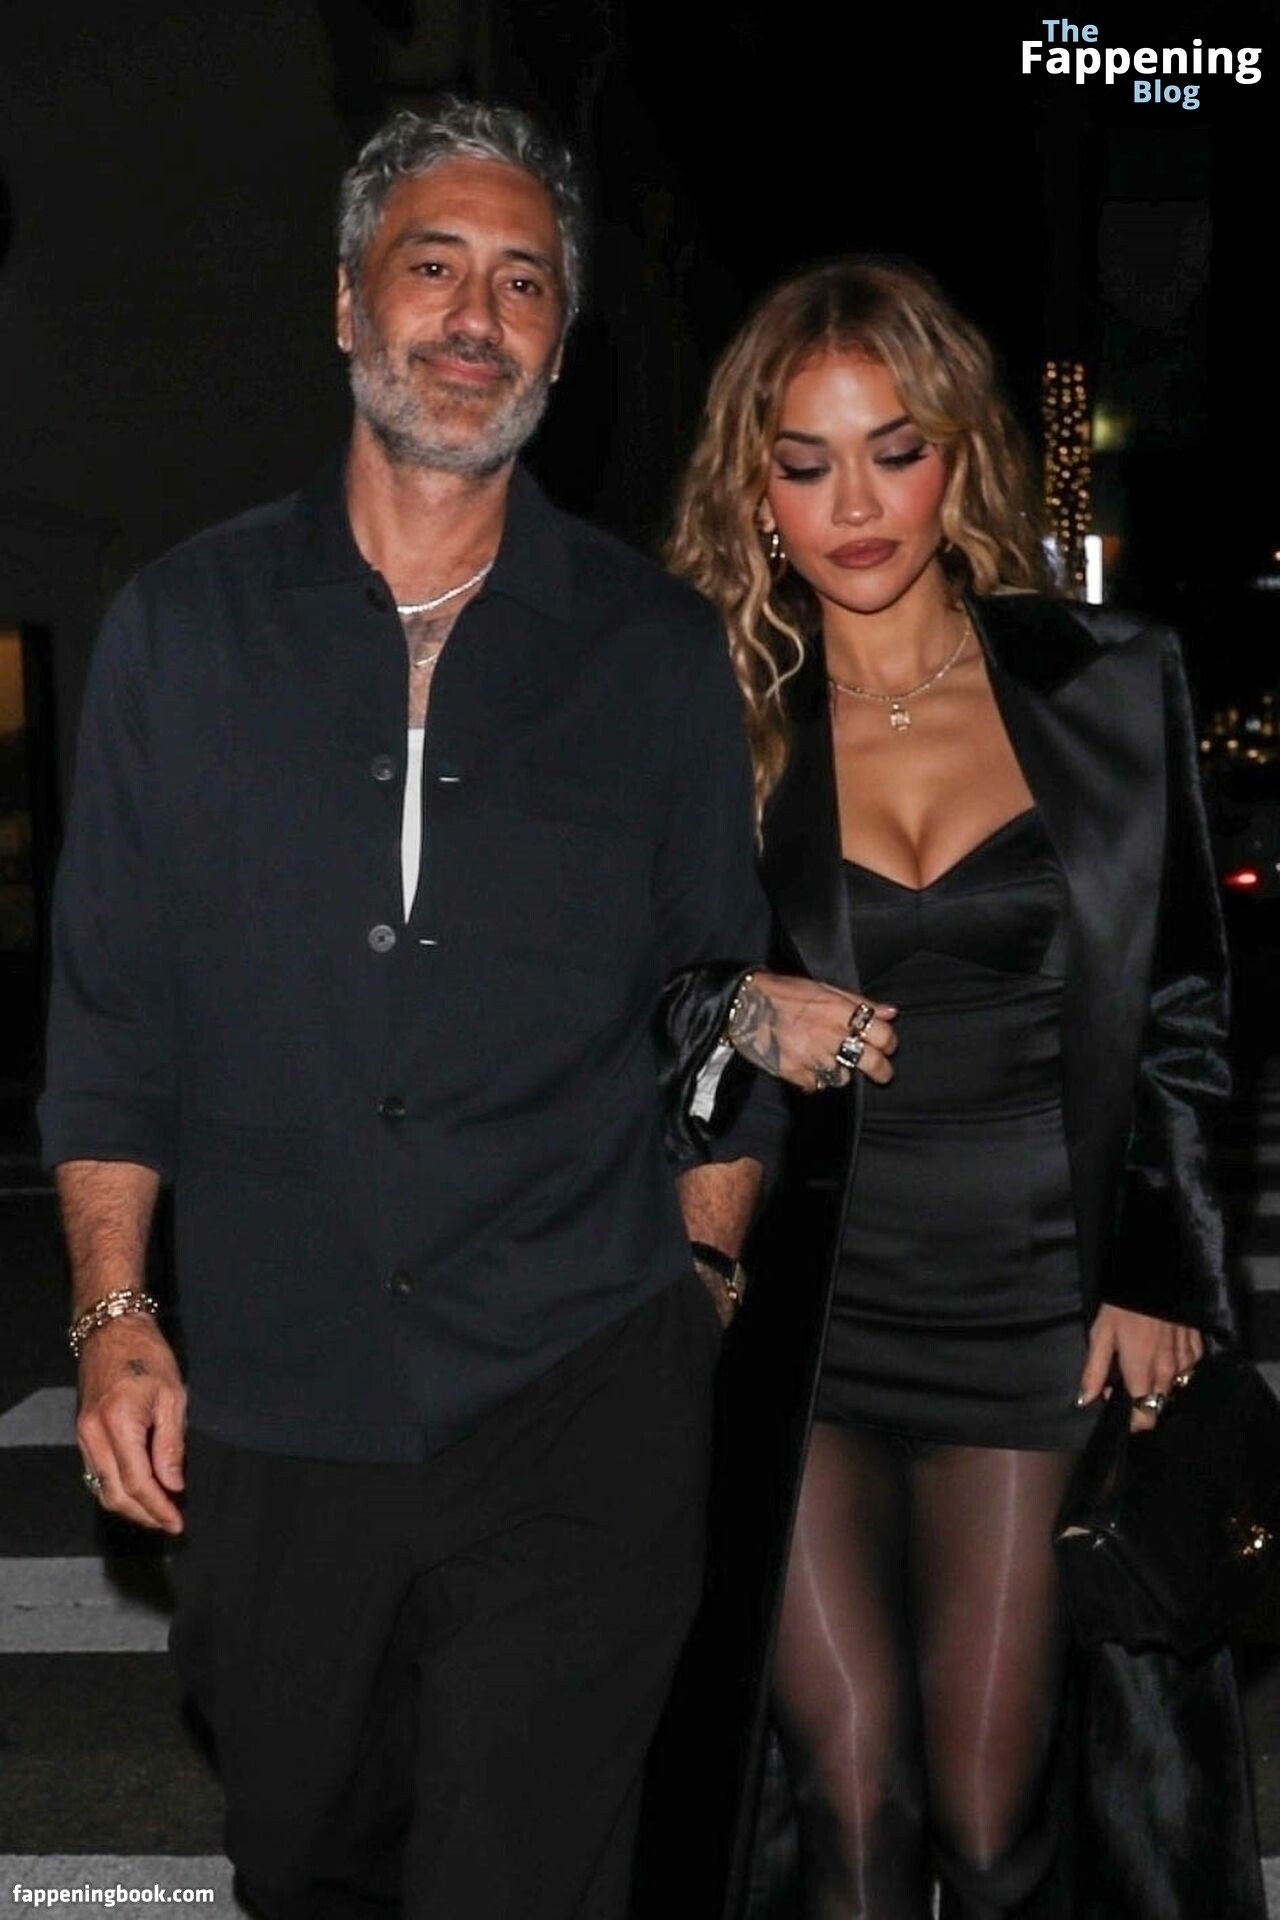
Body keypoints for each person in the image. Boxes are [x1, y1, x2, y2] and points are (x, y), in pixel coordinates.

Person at [40, 99, 783, 1920]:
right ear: (347, 305)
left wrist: (698, 1290)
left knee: (522, 1878)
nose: (476, 316)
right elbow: (114, 1012)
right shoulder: (183, 630)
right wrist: (116, 1315)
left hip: (581, 1385)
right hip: (281, 1399)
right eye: (433, 267)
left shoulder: (650, 651)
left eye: (523, 284)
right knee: (307, 1859)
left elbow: (714, 1006)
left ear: (560, 343)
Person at [654, 258, 1264, 1918]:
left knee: (995, 1822)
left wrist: (1162, 1262)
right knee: (849, 1798)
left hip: (1036, 1316)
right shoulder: (709, 715)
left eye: (894, 451)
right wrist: (731, 1005)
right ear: (755, 489)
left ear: (961, 458)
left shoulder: (1109, 679)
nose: (855, 505)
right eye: (806, 463)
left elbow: (1185, 1000)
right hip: (804, 1326)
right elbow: (608, 991)